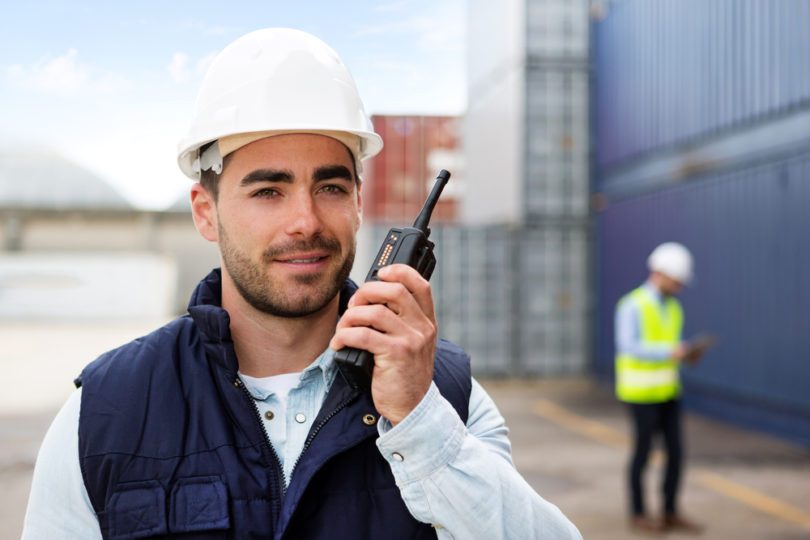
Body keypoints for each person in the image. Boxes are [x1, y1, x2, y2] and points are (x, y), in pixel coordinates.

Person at [22, 28, 581, 539]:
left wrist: (419, 423)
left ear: (360, 203)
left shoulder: (450, 401)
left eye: (331, 188)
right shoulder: (103, 413)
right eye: (268, 191)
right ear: (206, 212)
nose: (307, 221)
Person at [614, 242, 706, 535]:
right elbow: (628, 345)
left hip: (668, 391)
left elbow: (670, 348)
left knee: (676, 454)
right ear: (661, 273)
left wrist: (686, 355)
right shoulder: (632, 304)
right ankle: (638, 513)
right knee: (642, 454)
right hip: (640, 395)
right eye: (677, 281)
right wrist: (670, 352)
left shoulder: (673, 306)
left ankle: (669, 511)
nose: (679, 288)